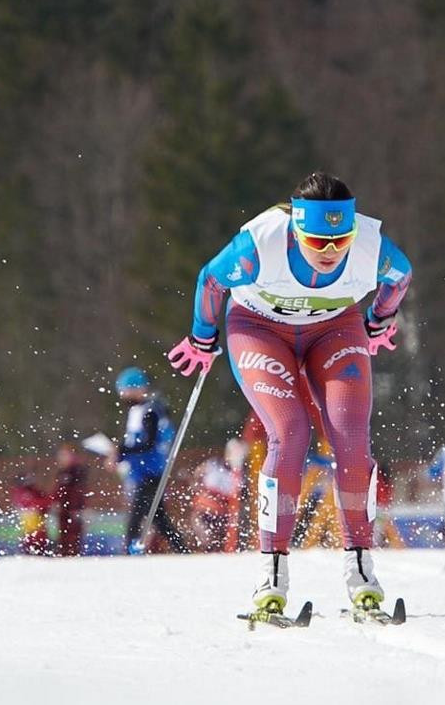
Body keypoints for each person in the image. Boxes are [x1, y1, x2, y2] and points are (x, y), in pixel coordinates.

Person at [167, 170, 412, 617]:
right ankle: (272, 576)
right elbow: (211, 279)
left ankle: (361, 572)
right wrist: (202, 337)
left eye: (340, 242)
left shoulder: (370, 250)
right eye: (318, 242)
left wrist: (379, 320)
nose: (331, 252)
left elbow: (401, 277)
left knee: (352, 441)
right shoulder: (259, 246)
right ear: (297, 230)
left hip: (334, 328)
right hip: (260, 328)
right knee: (290, 434)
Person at [110, 367, 190, 555]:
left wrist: (121, 451)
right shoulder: (139, 411)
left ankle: (130, 551)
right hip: (143, 472)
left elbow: (147, 444)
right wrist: (120, 455)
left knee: (136, 516)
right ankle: (182, 549)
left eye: (125, 390)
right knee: (157, 517)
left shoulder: (150, 411)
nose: (122, 396)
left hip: (150, 472)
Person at [53, 441, 88, 556]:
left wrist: (77, 508)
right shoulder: (63, 472)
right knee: (63, 539)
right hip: (63, 510)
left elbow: (77, 492)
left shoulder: (76, 471)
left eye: (65, 455)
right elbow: (59, 492)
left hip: (73, 510)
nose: (62, 458)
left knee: (73, 540)